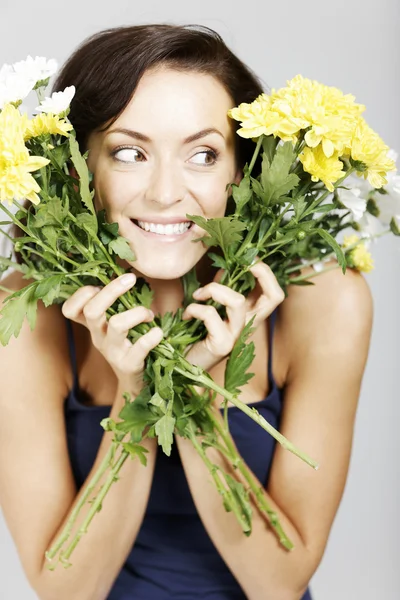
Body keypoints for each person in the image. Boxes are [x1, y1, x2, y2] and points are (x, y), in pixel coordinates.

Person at [0, 24, 373, 600]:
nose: (166, 191)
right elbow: (66, 590)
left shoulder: (325, 302)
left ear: (242, 172)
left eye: (202, 154)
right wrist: (136, 388)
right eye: (130, 153)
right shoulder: (24, 316)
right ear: (78, 173)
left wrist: (196, 392)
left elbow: (279, 584)